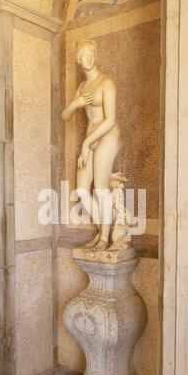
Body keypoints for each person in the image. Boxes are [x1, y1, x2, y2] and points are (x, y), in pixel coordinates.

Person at [62, 40, 122, 250]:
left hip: (107, 135)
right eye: (82, 56)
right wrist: (74, 104)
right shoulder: (82, 87)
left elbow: (110, 120)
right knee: (80, 190)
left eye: (89, 54)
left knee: (101, 189)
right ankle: (105, 228)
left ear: (95, 55)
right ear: (78, 60)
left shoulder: (106, 83)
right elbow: (64, 116)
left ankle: (104, 237)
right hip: (91, 138)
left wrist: (86, 143)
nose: (86, 59)